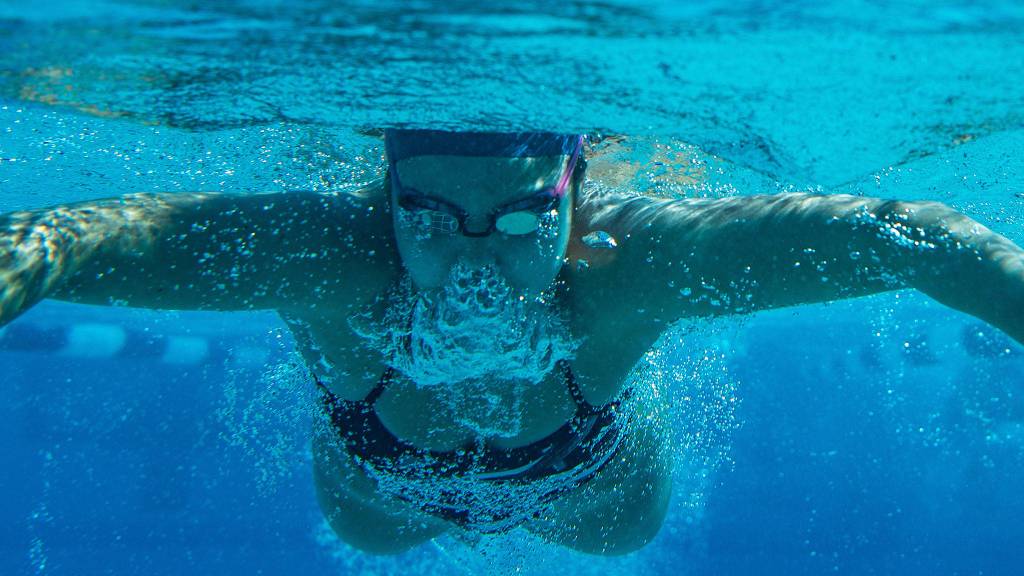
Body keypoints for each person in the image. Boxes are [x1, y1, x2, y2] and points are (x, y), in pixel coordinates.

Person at [1, 130, 1021, 556]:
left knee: (616, 540)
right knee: (381, 535)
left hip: (594, 490)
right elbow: (77, 240)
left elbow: (913, 239)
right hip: (377, 493)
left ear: (578, 208)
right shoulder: (323, 253)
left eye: (524, 224)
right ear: (387, 199)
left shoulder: (642, 261)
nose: (469, 262)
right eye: (429, 219)